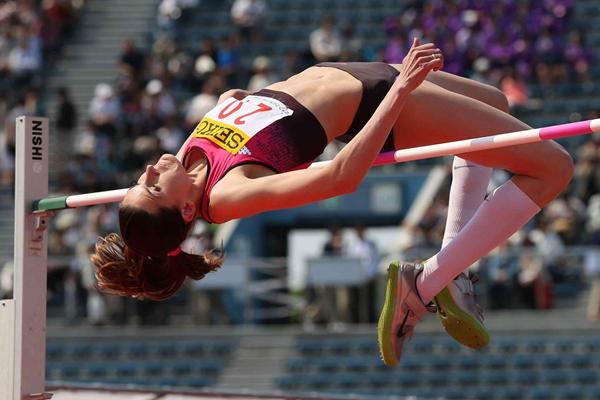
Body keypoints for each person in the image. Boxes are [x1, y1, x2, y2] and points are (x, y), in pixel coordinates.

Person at [91, 39, 573, 367]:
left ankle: (450, 274)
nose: (150, 171)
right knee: (555, 167)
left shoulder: (183, 162)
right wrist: (401, 90)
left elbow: (241, 108)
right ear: (186, 211)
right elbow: (341, 177)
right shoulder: (226, 194)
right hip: (376, 101)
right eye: (153, 186)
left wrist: (235, 100)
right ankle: (427, 281)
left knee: (497, 105)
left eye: (141, 180)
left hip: (354, 73)